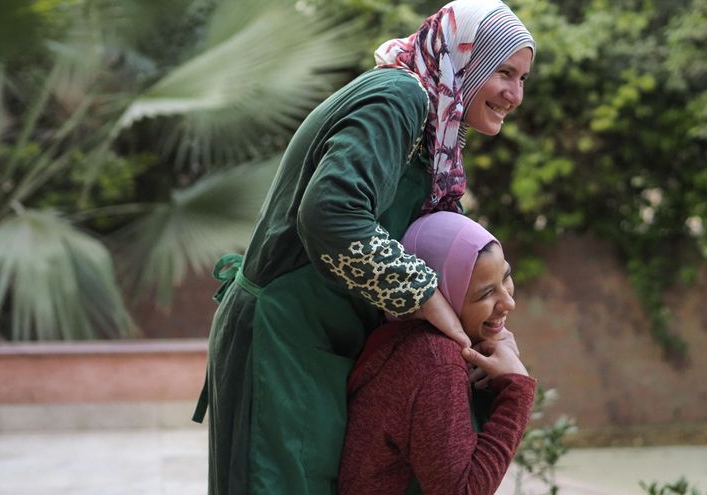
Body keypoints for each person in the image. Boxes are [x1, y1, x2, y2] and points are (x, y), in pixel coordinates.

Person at [193, 1, 535, 493]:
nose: (515, 94)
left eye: (522, 79)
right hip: (282, 335)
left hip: (323, 338)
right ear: (465, 59)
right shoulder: (399, 98)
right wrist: (427, 297)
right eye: (504, 72)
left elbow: (431, 234)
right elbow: (332, 214)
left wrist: (484, 331)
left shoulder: (435, 130)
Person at [338, 211, 535, 495]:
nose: (508, 302)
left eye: (506, 277)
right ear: (442, 294)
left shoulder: (409, 341)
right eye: (485, 294)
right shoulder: (435, 362)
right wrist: (517, 391)